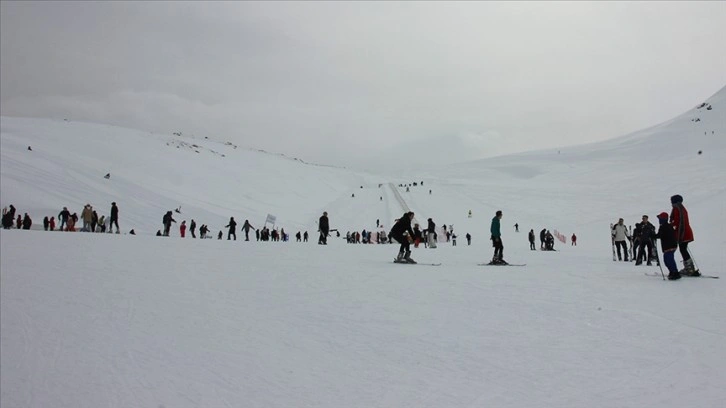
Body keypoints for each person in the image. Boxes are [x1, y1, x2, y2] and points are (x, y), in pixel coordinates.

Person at [670, 194, 698, 276]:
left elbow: (677, 221)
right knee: (683, 249)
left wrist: (670, 225)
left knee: (683, 249)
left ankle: (689, 269)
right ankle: (690, 268)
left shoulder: (676, 208)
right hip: (686, 232)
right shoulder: (682, 208)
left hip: (683, 233)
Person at [656, 212, 681, 280]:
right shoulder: (667, 226)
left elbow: (659, 235)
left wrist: (652, 235)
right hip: (671, 245)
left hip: (669, 246)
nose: (659, 220)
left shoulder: (664, 226)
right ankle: (673, 272)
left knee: (668, 260)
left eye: (660, 218)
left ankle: (675, 273)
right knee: (668, 259)